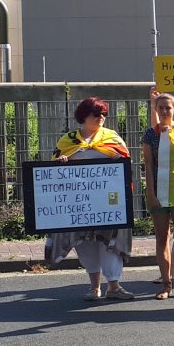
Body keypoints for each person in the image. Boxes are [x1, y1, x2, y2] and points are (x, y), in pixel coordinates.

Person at [46, 97, 134, 301]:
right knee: (85, 243)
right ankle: (94, 287)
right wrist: (61, 162)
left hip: (109, 203)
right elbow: (53, 172)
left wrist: (118, 159)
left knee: (109, 243)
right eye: (97, 113)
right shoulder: (67, 141)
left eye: (104, 114)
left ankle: (114, 286)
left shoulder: (112, 138)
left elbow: (125, 164)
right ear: (84, 116)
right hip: (80, 205)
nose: (101, 117)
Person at [142, 92, 174, 299]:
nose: (164, 111)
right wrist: (151, 193)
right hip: (159, 191)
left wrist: (171, 137)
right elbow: (147, 164)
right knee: (162, 238)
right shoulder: (149, 134)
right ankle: (166, 284)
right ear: (155, 109)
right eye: (160, 107)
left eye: (168, 108)